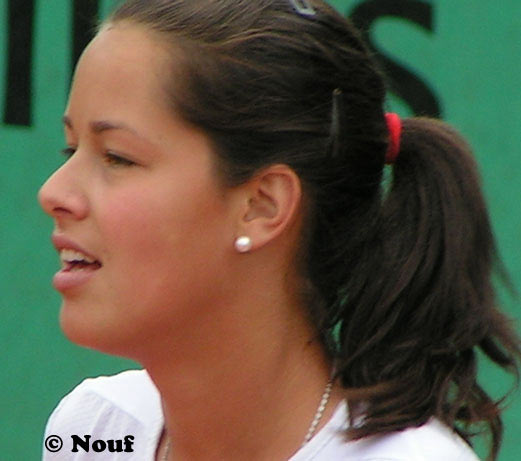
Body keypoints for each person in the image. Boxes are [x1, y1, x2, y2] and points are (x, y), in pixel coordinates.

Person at [39, 0, 520, 460]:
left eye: (117, 157)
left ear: (262, 205)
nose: (53, 192)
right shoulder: (92, 431)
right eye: (70, 149)